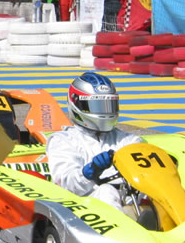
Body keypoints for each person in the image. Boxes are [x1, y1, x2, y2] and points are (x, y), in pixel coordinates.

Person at [47, 72, 141, 211]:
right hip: (84, 209)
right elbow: (67, 186)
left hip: (130, 201)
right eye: (98, 106)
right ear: (78, 104)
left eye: (109, 105)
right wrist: (90, 171)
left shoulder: (128, 140)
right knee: (107, 192)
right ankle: (119, 232)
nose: (105, 112)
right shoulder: (63, 141)